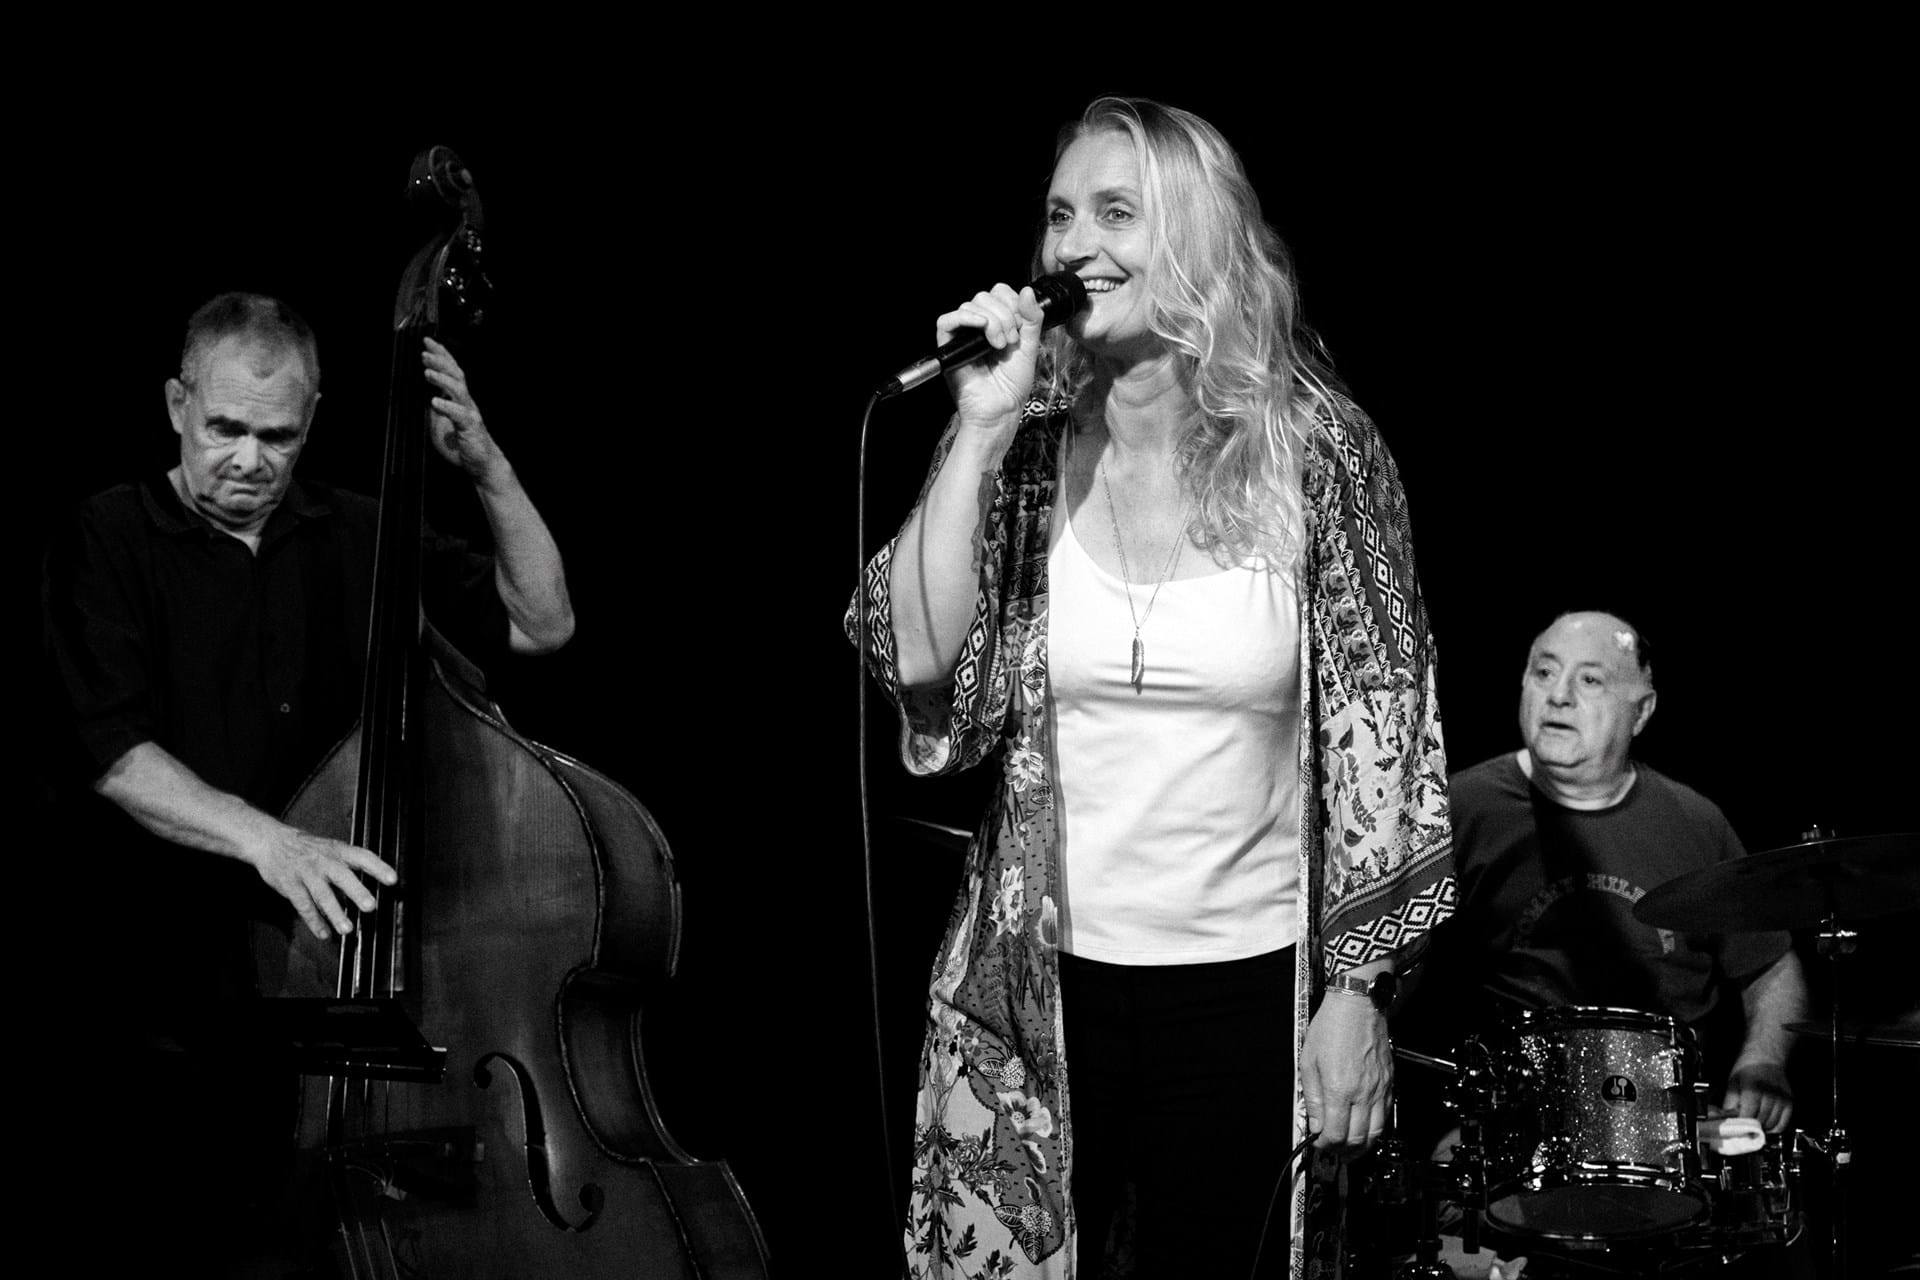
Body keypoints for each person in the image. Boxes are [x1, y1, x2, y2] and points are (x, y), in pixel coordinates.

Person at [848, 98, 1454, 1280]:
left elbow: (1388, 725)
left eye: (1116, 212)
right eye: (1060, 214)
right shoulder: (1025, 447)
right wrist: (976, 432)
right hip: (1035, 988)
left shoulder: (1317, 452)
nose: (1075, 244)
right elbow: (915, 658)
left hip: (1246, 991)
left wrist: (1360, 988)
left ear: (1199, 236)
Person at [41, 291, 574, 1260]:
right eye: (225, 428)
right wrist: (273, 843)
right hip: (168, 1004)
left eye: (277, 436)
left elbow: (542, 624)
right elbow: (112, 752)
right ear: (177, 405)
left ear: (313, 420)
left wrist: (487, 466)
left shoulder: (359, 531)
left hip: (339, 988)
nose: (249, 459)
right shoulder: (110, 534)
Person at [1394, 611, 1808, 1277]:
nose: (1558, 696)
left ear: (1641, 712)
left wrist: (1762, 1061)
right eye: (1544, 673)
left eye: (1589, 680)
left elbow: (1770, 966)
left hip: (1669, 1135)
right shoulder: (1457, 810)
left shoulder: (1693, 822)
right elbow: (1390, 966)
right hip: (1512, 1135)